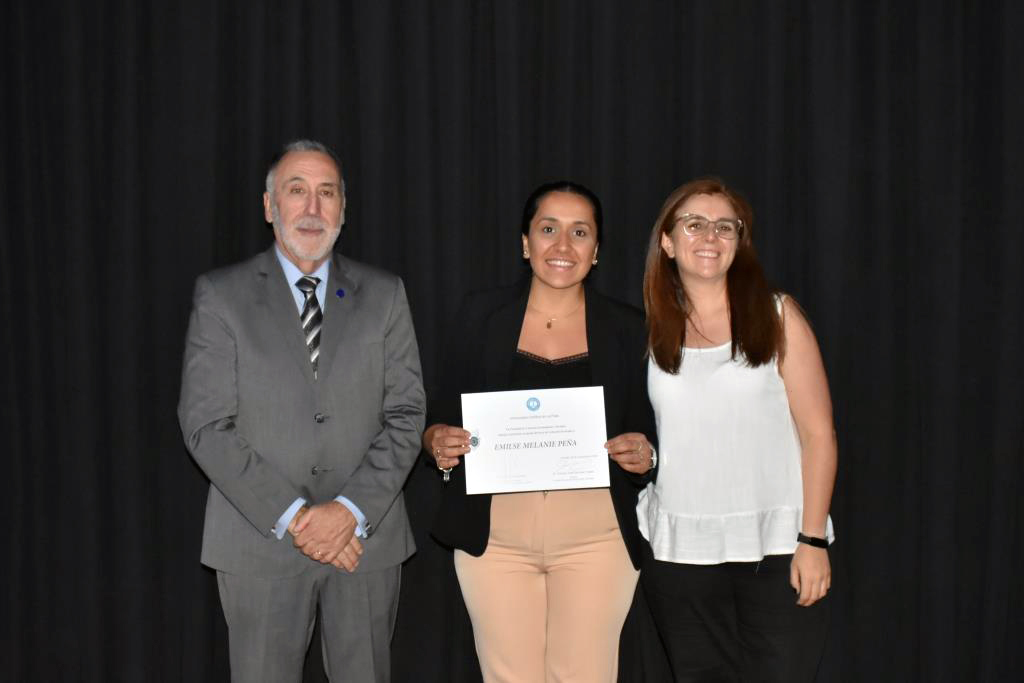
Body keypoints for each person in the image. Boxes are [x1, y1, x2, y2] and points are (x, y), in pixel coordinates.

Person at [177, 139, 425, 683]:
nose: (312, 209)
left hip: (365, 542)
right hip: (259, 544)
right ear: (270, 207)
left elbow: (407, 415)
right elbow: (205, 425)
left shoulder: (385, 295)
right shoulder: (221, 295)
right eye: (296, 191)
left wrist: (348, 512)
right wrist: (298, 519)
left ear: (344, 209)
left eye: (326, 193)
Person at [424, 181, 656, 683]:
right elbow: (439, 416)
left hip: (597, 537)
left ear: (596, 251)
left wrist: (645, 453)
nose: (562, 246)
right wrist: (438, 443)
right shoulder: (478, 316)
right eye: (548, 229)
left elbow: (650, 431)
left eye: (580, 232)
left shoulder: (630, 327)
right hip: (495, 538)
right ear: (525, 242)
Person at [637, 177, 837, 681]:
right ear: (667, 241)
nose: (711, 236)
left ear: (739, 242)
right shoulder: (650, 327)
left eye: (725, 226)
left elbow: (819, 436)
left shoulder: (777, 316)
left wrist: (811, 541)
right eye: (695, 224)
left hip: (776, 550)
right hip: (680, 556)